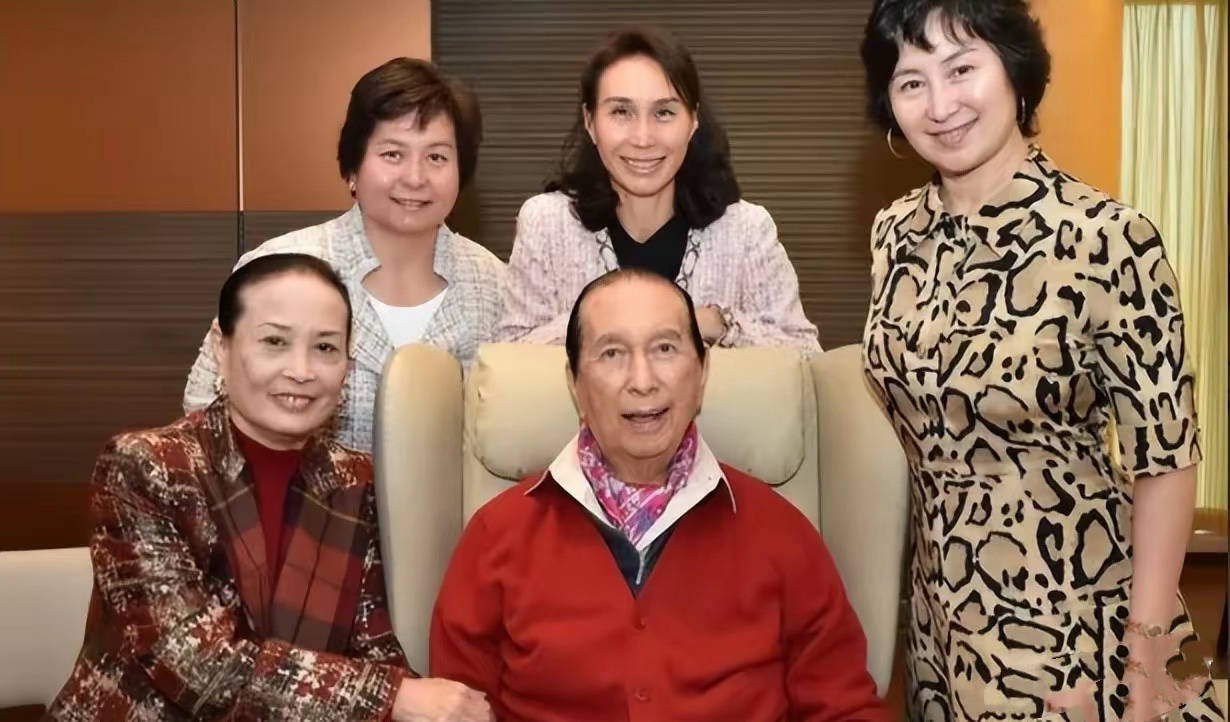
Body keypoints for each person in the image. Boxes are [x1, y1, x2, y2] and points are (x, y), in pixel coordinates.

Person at [859, 1, 1222, 719]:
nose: (941, 105)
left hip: (1070, 622)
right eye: (911, 82)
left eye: (962, 69)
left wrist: (1144, 664)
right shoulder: (893, 232)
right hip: (937, 622)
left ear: (1014, 70)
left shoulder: (1109, 240)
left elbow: (1165, 460)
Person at [49, 254, 491, 722]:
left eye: (325, 347)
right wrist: (391, 697)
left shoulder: (354, 479)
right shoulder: (147, 465)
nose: (301, 370)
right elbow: (195, 665)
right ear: (222, 348)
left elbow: (373, 643)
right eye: (275, 342)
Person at [431, 268, 884, 721]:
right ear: (575, 383)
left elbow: (845, 708)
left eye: (665, 348)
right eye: (612, 353)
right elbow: (456, 708)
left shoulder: (780, 532)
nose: (642, 380)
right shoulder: (497, 534)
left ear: (702, 371)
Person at [185, 57, 506, 453]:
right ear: (353, 166)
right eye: (393, 154)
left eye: (436, 157)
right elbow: (202, 407)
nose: (415, 177)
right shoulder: (281, 266)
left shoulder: (494, 284)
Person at [495, 27, 820, 354]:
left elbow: (805, 355)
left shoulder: (746, 230)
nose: (643, 138)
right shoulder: (547, 223)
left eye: (664, 113)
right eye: (621, 112)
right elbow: (509, 356)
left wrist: (715, 323)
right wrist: (614, 321)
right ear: (590, 122)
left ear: (692, 121)